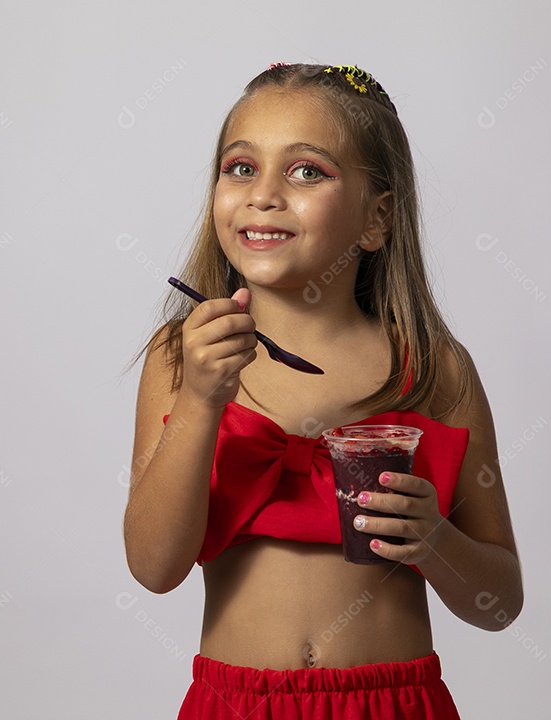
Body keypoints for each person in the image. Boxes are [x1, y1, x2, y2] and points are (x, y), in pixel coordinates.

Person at [123, 62, 522, 720]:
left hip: (395, 705)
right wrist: (199, 401)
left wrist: (435, 542)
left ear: (377, 217)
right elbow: (154, 567)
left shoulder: (434, 369)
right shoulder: (182, 359)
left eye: (307, 170)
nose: (264, 194)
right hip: (237, 704)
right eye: (241, 167)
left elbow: (500, 603)